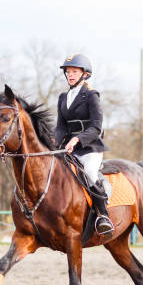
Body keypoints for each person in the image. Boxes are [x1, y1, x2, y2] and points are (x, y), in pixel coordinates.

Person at [54, 54, 114, 236]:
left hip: (90, 148)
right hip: (69, 149)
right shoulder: (63, 97)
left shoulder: (91, 95)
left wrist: (77, 139)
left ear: (85, 74)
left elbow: (96, 127)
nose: (70, 75)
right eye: (68, 72)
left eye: (74, 71)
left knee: (88, 172)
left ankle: (103, 216)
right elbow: (60, 128)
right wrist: (52, 143)